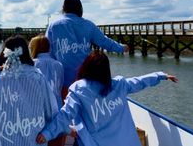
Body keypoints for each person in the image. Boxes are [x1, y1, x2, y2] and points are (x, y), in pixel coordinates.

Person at [35, 50, 178, 146]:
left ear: (86, 67)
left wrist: (47, 133)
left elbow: (65, 115)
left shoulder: (79, 88)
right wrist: (161, 75)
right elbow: (140, 82)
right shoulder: (119, 84)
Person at [45, 0, 129, 96]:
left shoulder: (54, 25)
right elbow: (104, 41)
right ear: (80, 8)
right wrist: (121, 48)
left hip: (62, 79)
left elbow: (46, 50)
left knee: (66, 108)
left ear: (64, 8)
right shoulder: (88, 25)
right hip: (86, 78)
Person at [29, 34, 65, 146]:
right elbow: (59, 87)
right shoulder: (59, 65)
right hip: (57, 111)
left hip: (38, 112)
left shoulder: (32, 65)